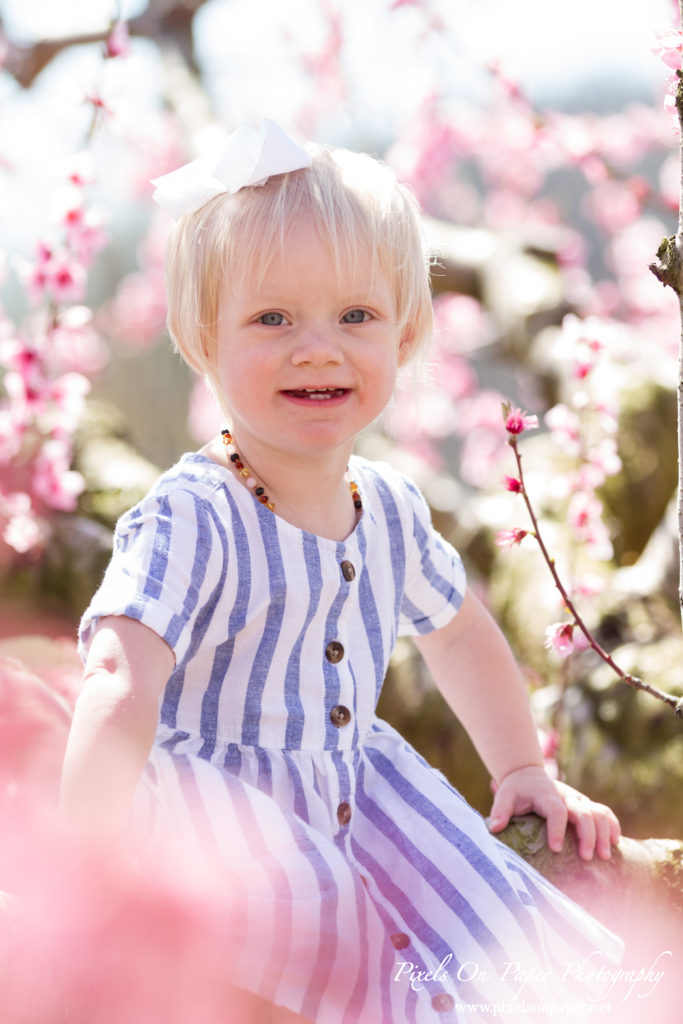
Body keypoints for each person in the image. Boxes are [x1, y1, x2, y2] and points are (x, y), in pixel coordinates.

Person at [61, 120, 623, 1023]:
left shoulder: (388, 504)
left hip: (359, 789)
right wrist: (81, 859)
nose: (316, 347)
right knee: (301, 942)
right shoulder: (193, 514)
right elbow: (120, 678)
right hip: (229, 810)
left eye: (355, 316)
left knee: (489, 934)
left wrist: (522, 767)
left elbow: (460, 630)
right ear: (201, 336)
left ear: (404, 335)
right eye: (271, 318)